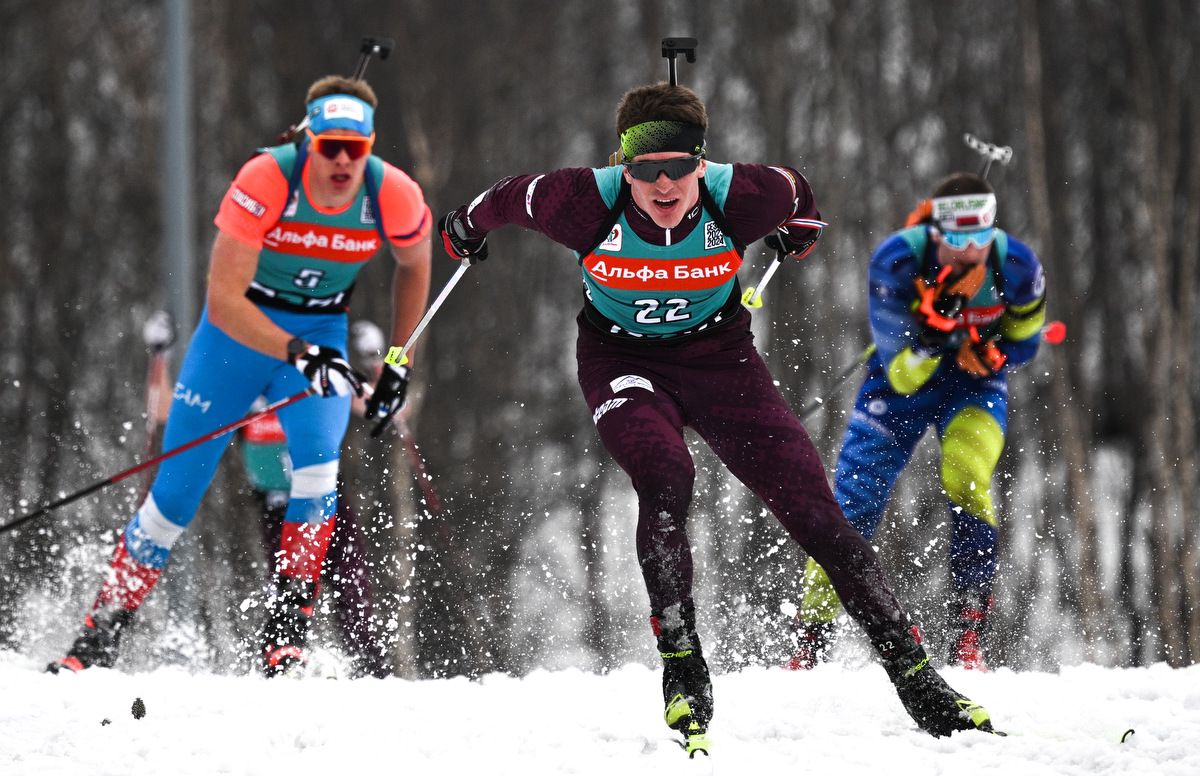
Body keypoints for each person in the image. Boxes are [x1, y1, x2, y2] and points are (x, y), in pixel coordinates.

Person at [436, 82, 994, 745]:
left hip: (722, 364)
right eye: (646, 170)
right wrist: (461, 230)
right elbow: (500, 201)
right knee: (666, 476)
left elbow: (800, 195)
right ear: (624, 164)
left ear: (704, 164)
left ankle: (916, 675)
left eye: (680, 168)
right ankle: (681, 662)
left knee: (818, 514)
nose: (665, 184)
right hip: (623, 363)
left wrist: (800, 232)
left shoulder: (747, 195)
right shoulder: (583, 199)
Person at [48, 75, 432, 676]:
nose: (339, 161)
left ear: (370, 146)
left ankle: (285, 635)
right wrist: (297, 350)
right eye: (327, 145)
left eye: (353, 149)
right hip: (236, 341)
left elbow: (414, 265)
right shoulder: (267, 179)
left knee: (317, 475)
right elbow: (225, 299)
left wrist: (397, 361)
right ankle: (100, 631)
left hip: (321, 337)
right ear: (307, 141)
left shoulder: (394, 194)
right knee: (174, 495)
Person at [791, 173, 1047, 673]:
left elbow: (1028, 341)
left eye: (982, 235)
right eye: (957, 238)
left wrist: (991, 352)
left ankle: (968, 633)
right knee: (851, 503)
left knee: (967, 478)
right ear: (936, 230)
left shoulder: (1016, 265)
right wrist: (936, 332)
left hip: (974, 387)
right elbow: (904, 375)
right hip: (897, 384)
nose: (971, 249)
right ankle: (811, 638)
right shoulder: (898, 261)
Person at [238, 320, 394, 678]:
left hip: (327, 500)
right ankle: (283, 664)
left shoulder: (312, 380)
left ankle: (374, 673)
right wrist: (159, 359)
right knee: (291, 591)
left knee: (352, 588)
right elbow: (168, 411)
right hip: (278, 505)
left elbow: (383, 408)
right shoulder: (245, 389)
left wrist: (375, 362)